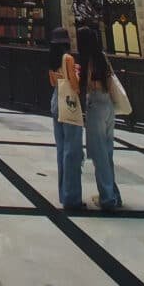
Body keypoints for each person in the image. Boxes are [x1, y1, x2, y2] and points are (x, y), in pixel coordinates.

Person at [77, 25, 122, 212]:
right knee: (108, 151)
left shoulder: (88, 60)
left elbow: (83, 85)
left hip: (95, 104)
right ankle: (114, 194)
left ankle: (107, 198)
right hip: (108, 104)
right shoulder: (102, 57)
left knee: (98, 153)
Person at [48, 26, 85, 210]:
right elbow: (74, 85)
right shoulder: (68, 58)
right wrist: (77, 73)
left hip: (56, 102)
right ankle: (72, 198)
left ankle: (64, 194)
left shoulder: (52, 59)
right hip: (68, 103)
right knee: (72, 151)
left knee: (61, 149)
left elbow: (52, 82)